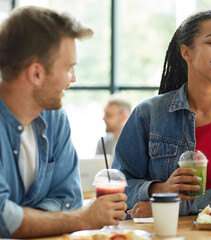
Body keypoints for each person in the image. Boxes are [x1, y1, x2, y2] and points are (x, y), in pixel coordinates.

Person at [112, 10, 211, 219]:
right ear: (187, 52)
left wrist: (170, 206)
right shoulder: (148, 113)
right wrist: (161, 190)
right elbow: (119, 186)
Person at [0, 6, 127, 238]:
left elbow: (69, 197)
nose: (74, 79)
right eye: (69, 68)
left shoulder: (54, 118)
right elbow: (2, 217)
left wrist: (34, 221)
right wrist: (81, 218)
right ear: (36, 73)